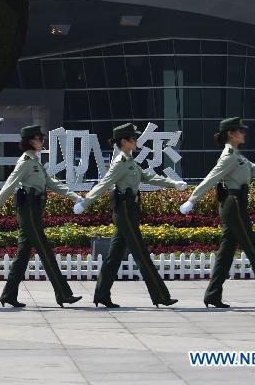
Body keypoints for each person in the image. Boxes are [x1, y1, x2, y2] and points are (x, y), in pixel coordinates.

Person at [180, 117, 255, 308]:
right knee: (252, 248)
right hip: (233, 205)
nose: (244, 133)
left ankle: (212, 295)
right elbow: (210, 179)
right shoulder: (229, 157)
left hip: (237, 204)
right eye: (241, 131)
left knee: (226, 252)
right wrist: (191, 200)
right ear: (231, 134)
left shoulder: (238, 156)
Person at [73, 123, 187, 308]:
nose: (136, 141)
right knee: (141, 253)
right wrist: (85, 203)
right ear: (124, 141)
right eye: (133, 138)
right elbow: (103, 184)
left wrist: (173, 184)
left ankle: (101, 294)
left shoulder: (130, 161)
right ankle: (160, 296)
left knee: (114, 256)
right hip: (124, 210)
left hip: (130, 210)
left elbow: (149, 177)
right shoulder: (120, 164)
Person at [0, 125, 84, 308]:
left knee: (23, 255)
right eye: (39, 138)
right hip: (28, 210)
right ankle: (63, 294)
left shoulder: (36, 162)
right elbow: (9, 185)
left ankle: (8, 295)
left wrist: (74, 195)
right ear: (31, 141)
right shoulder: (25, 162)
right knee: (45, 251)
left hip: (35, 210)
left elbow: (51, 183)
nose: (42, 141)